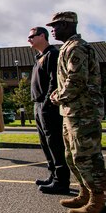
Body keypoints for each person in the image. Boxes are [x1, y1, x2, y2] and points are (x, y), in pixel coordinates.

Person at [47, 11, 106, 213]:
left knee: (87, 156)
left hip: (84, 112)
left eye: (56, 25)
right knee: (72, 156)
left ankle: (98, 200)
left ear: (67, 25)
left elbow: (77, 80)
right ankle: (85, 193)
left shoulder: (78, 47)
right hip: (71, 111)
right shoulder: (67, 47)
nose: (52, 29)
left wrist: (58, 96)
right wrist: (59, 93)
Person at [28, 26, 70, 194]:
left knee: (55, 143)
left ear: (43, 36)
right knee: (45, 143)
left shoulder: (52, 54)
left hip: (48, 106)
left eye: (32, 36)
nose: (29, 39)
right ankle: (53, 175)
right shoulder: (39, 56)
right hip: (37, 105)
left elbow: (54, 82)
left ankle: (61, 180)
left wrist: (47, 104)